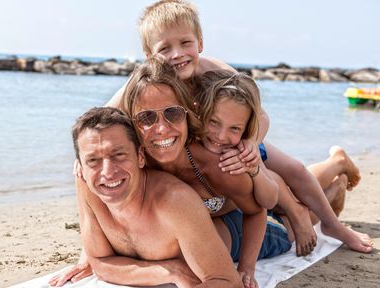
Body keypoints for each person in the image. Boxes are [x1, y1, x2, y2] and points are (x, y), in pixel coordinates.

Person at [104, 0, 371, 256]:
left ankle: (332, 217)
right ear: (150, 55)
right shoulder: (143, 83)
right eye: (165, 48)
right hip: (207, 145)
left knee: (294, 172)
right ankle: (327, 175)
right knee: (263, 192)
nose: (177, 54)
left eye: (186, 43)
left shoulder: (215, 71)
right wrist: (86, 158)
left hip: (234, 138)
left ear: (200, 42)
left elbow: (261, 115)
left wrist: (251, 144)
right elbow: (105, 116)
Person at [194, 69, 374, 256]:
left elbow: (272, 183)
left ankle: (335, 169)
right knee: (286, 195)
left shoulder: (239, 149)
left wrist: (294, 209)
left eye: (234, 128)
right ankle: (335, 170)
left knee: (290, 221)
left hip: (256, 206)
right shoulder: (190, 140)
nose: (221, 135)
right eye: (214, 122)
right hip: (242, 206)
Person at [69, 106, 242, 288]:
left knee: (269, 209)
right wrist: (172, 270)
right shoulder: (88, 186)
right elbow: (100, 263)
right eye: (93, 160)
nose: (108, 172)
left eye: (119, 155)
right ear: (80, 165)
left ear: (140, 156)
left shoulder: (175, 200)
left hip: (235, 230)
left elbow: (228, 281)